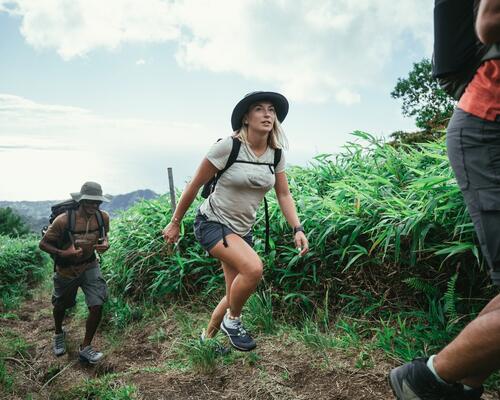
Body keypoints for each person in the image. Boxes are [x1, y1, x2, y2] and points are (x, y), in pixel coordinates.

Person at [389, 1, 500, 399]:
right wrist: (177, 221)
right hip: (490, 124)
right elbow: (489, 22)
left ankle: (459, 383)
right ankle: (427, 381)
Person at [162, 91, 309, 351]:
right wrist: (175, 222)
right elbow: (194, 185)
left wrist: (297, 228)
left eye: (271, 110)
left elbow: (283, 194)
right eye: (259, 109)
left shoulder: (275, 155)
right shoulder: (228, 147)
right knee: (253, 269)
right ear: (246, 118)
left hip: (242, 230)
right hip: (212, 222)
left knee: (233, 293)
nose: (267, 114)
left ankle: (206, 341)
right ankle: (233, 322)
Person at [39, 181, 111, 364]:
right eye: (90, 202)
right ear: (81, 200)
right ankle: (58, 333)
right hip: (66, 269)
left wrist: (105, 245)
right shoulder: (63, 220)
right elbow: (43, 244)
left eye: (97, 203)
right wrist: (64, 253)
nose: (94, 206)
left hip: (90, 265)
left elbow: (105, 237)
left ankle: (86, 348)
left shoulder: (102, 218)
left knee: (97, 304)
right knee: (61, 305)